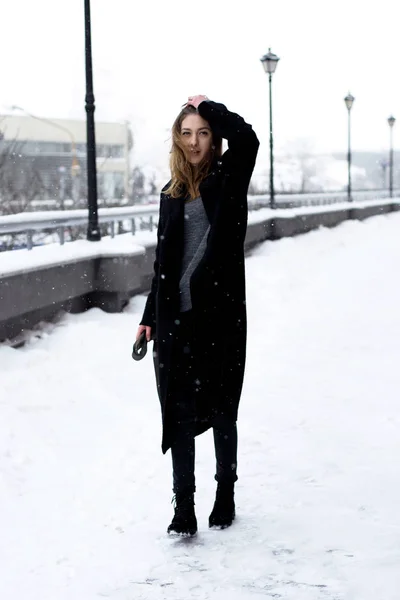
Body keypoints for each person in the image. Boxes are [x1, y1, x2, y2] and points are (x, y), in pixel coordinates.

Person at [136, 95, 259, 536]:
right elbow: (162, 263)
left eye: (203, 133)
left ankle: (225, 492)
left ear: (214, 138)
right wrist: (149, 315)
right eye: (186, 133)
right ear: (177, 138)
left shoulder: (228, 178)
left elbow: (248, 139)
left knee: (223, 408)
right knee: (179, 413)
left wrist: (210, 106)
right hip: (175, 320)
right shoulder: (170, 194)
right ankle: (183, 505)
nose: (194, 142)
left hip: (220, 315)